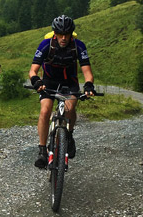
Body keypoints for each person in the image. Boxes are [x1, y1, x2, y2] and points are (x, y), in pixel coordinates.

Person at [29, 15, 95, 169]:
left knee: (70, 109)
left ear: (72, 34)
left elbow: (87, 71)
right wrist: (36, 81)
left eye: (67, 34)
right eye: (60, 34)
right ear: (54, 33)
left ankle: (69, 136)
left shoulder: (79, 46)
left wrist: (89, 85)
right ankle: (42, 151)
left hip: (69, 83)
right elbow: (33, 70)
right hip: (48, 82)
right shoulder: (46, 44)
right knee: (45, 111)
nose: (64, 38)